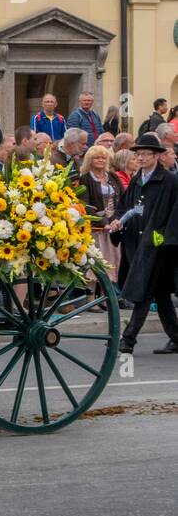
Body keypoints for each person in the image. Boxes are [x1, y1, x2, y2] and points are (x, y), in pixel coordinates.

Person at [109, 134, 178, 355]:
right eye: (138, 154)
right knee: (159, 293)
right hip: (135, 243)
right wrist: (117, 222)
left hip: (157, 244)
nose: (141, 158)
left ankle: (128, 339)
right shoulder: (137, 180)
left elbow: (174, 215)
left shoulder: (170, 181)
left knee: (145, 290)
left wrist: (165, 240)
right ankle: (176, 337)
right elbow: (124, 207)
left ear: (157, 156)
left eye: (146, 154)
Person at [80, 144, 122, 305]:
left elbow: (122, 198)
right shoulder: (86, 179)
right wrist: (103, 222)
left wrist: (118, 220)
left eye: (103, 157)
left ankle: (106, 299)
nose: (100, 160)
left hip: (114, 226)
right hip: (96, 229)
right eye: (97, 157)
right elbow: (85, 205)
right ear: (90, 160)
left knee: (111, 261)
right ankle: (90, 299)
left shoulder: (112, 176)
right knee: (95, 262)